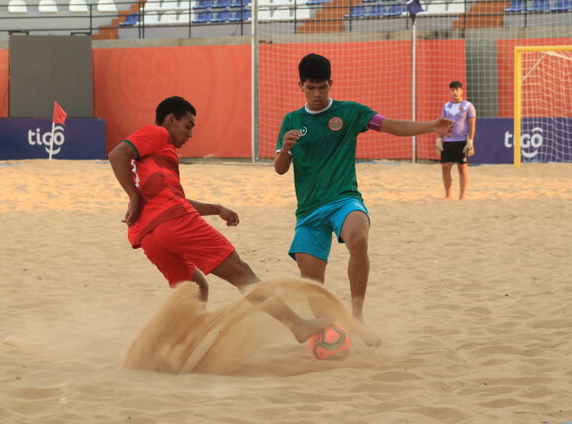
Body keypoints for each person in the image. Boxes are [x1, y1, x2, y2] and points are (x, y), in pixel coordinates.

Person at [108, 96, 329, 343]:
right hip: (173, 222)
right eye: (188, 125)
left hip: (150, 236)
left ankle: (180, 346)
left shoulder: (152, 160)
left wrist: (217, 209)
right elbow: (117, 153)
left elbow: (171, 200)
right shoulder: (158, 134)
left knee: (195, 290)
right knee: (242, 273)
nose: (190, 134)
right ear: (170, 119)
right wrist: (133, 196)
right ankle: (298, 325)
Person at [274, 53, 454, 331]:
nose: (317, 94)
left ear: (331, 83)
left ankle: (356, 315)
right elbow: (280, 169)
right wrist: (285, 149)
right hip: (309, 211)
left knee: (358, 237)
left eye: (322, 87)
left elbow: (392, 125)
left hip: (344, 199)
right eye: (311, 88)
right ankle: (328, 332)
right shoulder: (291, 120)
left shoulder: (350, 112)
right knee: (311, 283)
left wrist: (431, 127)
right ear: (301, 86)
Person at [435, 81, 477, 200]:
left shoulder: (468, 106)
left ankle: (462, 196)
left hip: (462, 141)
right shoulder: (446, 106)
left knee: (462, 167)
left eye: (456, 90)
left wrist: (470, 141)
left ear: (461, 91)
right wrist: (439, 139)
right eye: (452, 90)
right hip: (448, 141)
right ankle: (448, 195)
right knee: (445, 167)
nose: (454, 92)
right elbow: (441, 124)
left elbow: (472, 125)